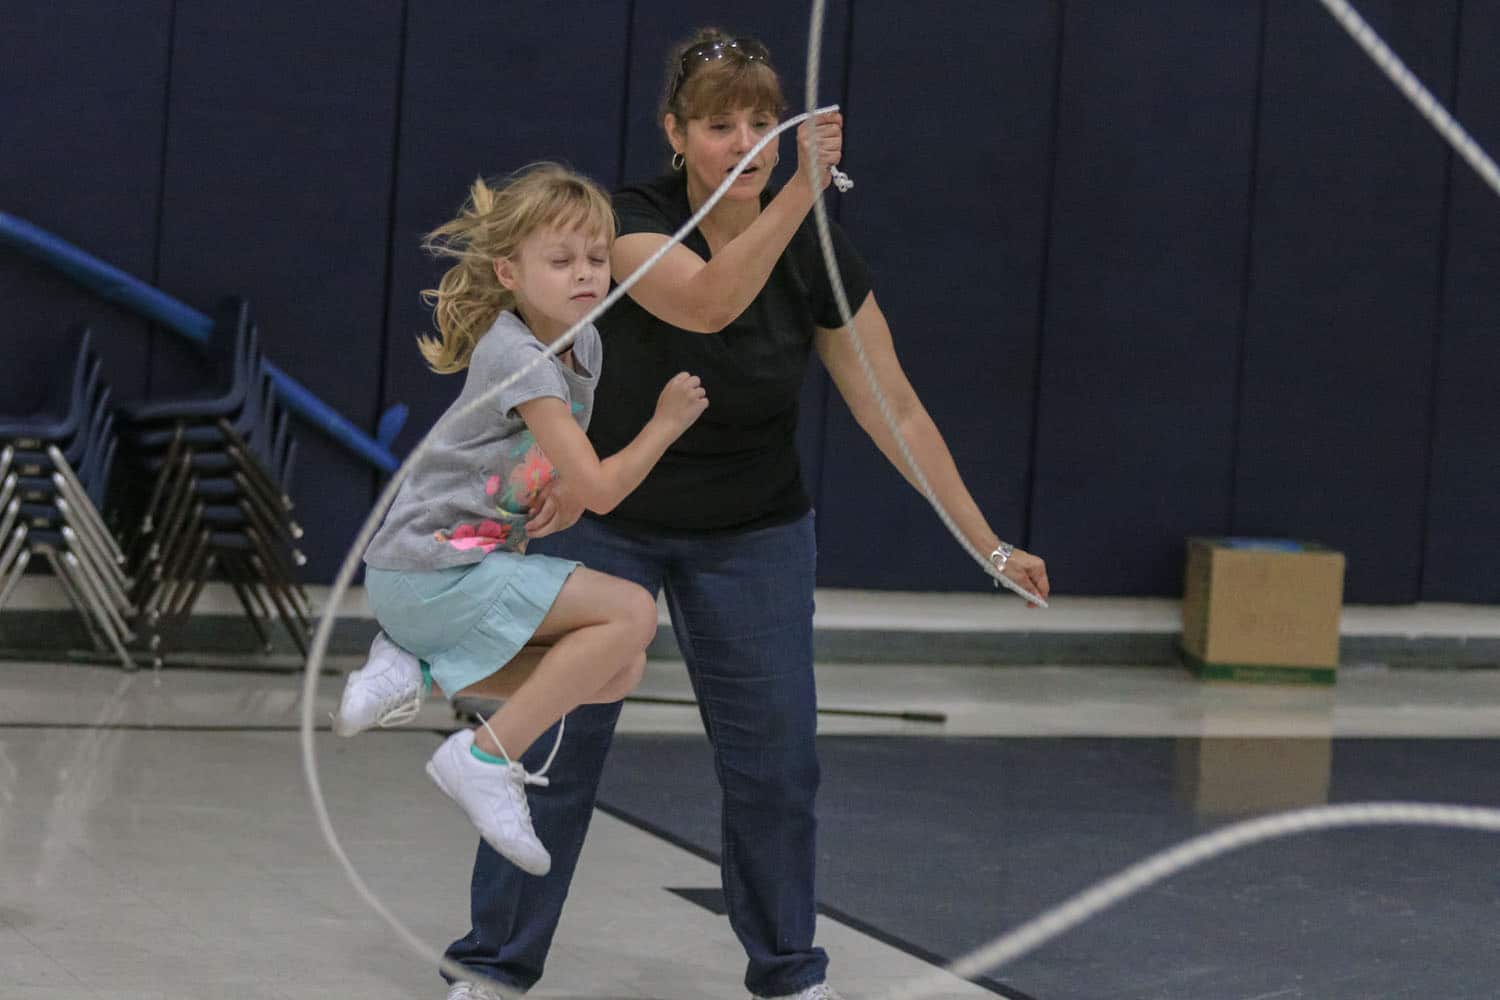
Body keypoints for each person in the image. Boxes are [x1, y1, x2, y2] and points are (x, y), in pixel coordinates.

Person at [434, 28, 1048, 1000]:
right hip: (608, 515)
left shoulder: (819, 253)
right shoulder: (628, 224)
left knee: (776, 763)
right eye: (720, 124)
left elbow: (897, 405)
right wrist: (804, 185)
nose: (747, 140)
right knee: (552, 741)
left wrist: (988, 541)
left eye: (763, 121)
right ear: (676, 134)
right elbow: (713, 302)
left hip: (753, 529)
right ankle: (494, 965)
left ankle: (790, 972)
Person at [336, 163, 708, 878]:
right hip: (429, 569)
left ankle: (415, 662)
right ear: (508, 272)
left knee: (615, 670)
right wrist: (665, 425)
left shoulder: (583, 342)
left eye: (597, 259)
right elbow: (601, 490)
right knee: (631, 611)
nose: (586, 275)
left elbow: (564, 477)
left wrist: (559, 494)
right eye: (561, 261)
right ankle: (483, 756)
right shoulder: (521, 358)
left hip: (447, 572)